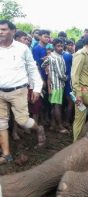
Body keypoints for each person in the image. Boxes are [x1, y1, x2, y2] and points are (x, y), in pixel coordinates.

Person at [0, 20, 45, 164]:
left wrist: (37, 88)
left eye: (4, 29)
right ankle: (6, 155)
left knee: (23, 121)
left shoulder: (22, 48)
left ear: (13, 31)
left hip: (18, 90)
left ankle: (39, 129)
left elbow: (32, 69)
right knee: (1, 123)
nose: (0, 32)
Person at [42, 38, 68, 133]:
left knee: (54, 106)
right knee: (57, 106)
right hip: (57, 85)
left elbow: (43, 65)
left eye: (62, 46)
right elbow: (61, 75)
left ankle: (53, 125)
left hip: (53, 85)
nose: (61, 48)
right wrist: (67, 78)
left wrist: (49, 71)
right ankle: (60, 127)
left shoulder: (51, 56)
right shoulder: (56, 57)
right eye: (58, 46)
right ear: (54, 46)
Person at [62, 40, 74, 128]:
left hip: (61, 81)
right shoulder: (69, 56)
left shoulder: (60, 54)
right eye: (70, 45)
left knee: (60, 103)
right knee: (70, 103)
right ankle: (66, 122)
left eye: (72, 45)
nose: (71, 47)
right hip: (69, 81)